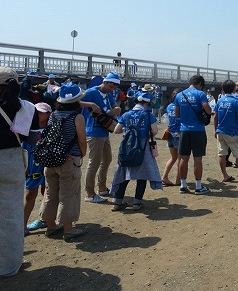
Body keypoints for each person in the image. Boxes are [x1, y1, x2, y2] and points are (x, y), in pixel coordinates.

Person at [39, 83, 89, 241]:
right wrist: (81, 155)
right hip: (69, 160)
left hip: (51, 159)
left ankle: (51, 226)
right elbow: (82, 140)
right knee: (68, 195)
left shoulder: (54, 115)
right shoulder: (77, 117)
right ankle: (68, 229)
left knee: (50, 194)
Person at [0, 67, 37, 277]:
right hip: (12, 161)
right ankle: (8, 265)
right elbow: (31, 138)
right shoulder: (27, 108)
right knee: (12, 215)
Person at [111, 92, 162, 211]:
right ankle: (137, 203)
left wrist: (128, 131)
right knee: (142, 175)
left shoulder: (126, 114)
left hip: (127, 147)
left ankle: (117, 202)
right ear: (146, 103)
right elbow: (155, 131)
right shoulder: (148, 115)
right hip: (143, 147)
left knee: (124, 174)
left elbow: (116, 131)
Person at [82, 72, 121, 203]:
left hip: (105, 130)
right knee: (94, 162)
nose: (112, 89)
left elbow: (114, 105)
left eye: (115, 87)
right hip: (94, 131)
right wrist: (90, 105)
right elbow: (76, 102)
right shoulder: (91, 92)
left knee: (107, 159)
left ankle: (102, 187)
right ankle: (90, 193)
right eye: (111, 86)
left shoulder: (108, 94)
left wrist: (116, 108)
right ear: (105, 82)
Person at [175, 75, 213, 194]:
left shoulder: (179, 95)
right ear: (200, 84)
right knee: (197, 159)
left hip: (184, 130)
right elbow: (208, 110)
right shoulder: (200, 94)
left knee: (183, 158)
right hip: (198, 130)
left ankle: (183, 185)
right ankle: (198, 186)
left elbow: (177, 114)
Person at [213, 79, 238, 183]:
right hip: (232, 132)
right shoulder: (236, 101)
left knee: (222, 154)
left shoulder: (220, 100)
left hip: (220, 131)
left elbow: (215, 117)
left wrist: (215, 130)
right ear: (234, 89)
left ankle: (225, 175)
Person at [23, 103, 52, 235]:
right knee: (30, 194)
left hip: (48, 165)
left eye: (41, 112)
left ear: (48, 114)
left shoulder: (52, 128)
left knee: (47, 192)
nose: (37, 114)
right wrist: (24, 166)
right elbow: (22, 149)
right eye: (36, 112)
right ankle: (22, 226)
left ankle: (45, 219)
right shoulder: (26, 128)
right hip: (32, 166)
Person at [161, 89, 181, 186]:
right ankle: (178, 180)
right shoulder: (181, 106)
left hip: (170, 132)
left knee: (173, 158)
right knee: (181, 158)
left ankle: (164, 177)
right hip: (179, 133)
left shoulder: (169, 106)